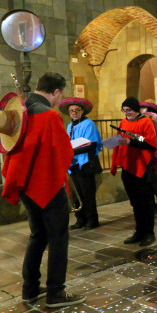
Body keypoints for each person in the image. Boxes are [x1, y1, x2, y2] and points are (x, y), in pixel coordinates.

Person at [0, 72, 85, 307]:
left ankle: (30, 289)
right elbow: (63, 154)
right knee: (58, 238)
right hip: (47, 184)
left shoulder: (18, 113)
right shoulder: (49, 115)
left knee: (37, 236)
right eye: (59, 96)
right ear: (57, 92)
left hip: (24, 183)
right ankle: (55, 293)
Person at [111, 97, 157, 247]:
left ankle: (149, 233)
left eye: (130, 110)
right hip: (128, 166)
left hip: (143, 166)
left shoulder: (146, 121)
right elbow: (121, 138)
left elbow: (150, 143)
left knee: (146, 203)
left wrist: (131, 142)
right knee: (135, 203)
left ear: (137, 110)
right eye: (125, 110)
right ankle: (139, 231)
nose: (127, 113)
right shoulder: (124, 122)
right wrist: (115, 142)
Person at [58, 97, 102, 230]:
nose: (74, 112)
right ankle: (80, 219)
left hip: (86, 164)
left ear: (82, 111)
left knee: (87, 194)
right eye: (71, 110)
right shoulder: (70, 125)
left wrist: (71, 152)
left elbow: (91, 144)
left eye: (77, 110)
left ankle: (92, 220)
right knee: (76, 193)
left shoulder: (89, 124)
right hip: (73, 165)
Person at [140, 100, 157, 213]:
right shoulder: (156, 119)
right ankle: (156, 203)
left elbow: (147, 137)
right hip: (155, 150)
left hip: (153, 151)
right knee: (151, 180)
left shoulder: (150, 119)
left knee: (152, 180)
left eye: (142, 108)